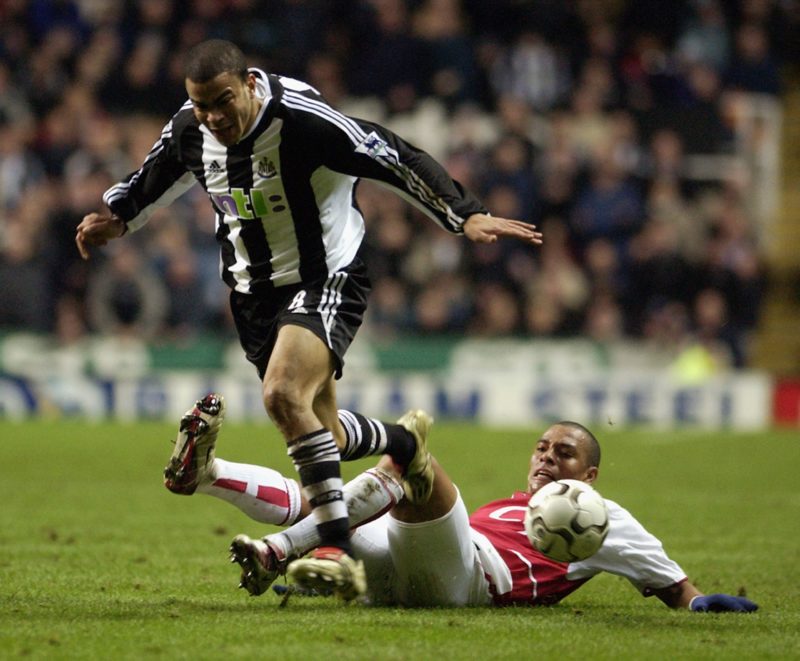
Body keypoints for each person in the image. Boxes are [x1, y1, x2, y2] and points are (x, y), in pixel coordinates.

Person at [74, 39, 542, 601]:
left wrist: (462, 214)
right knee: (326, 432)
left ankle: (334, 550)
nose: (214, 117)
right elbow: (155, 174)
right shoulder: (190, 128)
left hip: (327, 280)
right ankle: (403, 444)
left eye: (223, 101)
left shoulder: (303, 122)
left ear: (249, 81)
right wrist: (117, 218)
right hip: (252, 295)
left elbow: (393, 155)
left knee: (281, 394)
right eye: (202, 106)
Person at [163, 391, 757, 611]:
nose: (547, 458)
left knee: (415, 461)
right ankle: (208, 474)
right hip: (403, 575)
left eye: (565, 454)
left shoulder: (604, 520)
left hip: (470, 580)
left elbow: (676, 588)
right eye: (543, 447)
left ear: (591, 474)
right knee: (315, 497)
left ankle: (285, 550)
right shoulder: (514, 502)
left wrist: (704, 605)